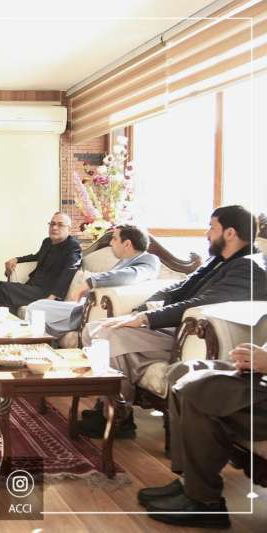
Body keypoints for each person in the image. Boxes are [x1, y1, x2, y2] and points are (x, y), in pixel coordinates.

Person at [80, 205, 267, 439]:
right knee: (95, 329)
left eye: (211, 227)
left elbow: (203, 303)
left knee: (106, 335)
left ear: (230, 233)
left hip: (194, 336)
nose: (207, 233)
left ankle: (115, 415)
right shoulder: (218, 260)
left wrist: (145, 319)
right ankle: (115, 410)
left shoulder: (250, 267)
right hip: (175, 329)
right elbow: (177, 287)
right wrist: (142, 309)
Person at [138, 342, 267, 528]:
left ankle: (205, 501)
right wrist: (252, 357)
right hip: (260, 377)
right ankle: (188, 482)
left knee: (198, 389)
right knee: (183, 372)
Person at [27, 224, 160, 337]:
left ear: (127, 244)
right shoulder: (126, 260)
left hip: (94, 311)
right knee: (38, 309)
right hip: (87, 306)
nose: (110, 243)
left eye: (114, 239)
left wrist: (90, 282)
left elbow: (131, 276)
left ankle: (38, 349)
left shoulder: (149, 260)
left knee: (36, 309)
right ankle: (44, 348)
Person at [0, 212, 82, 315]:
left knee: (1, 287)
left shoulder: (73, 246)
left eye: (60, 225)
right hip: (32, 287)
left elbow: (70, 271)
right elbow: (36, 256)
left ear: (69, 228)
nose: (54, 227)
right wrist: (17, 259)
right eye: (52, 224)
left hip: (47, 293)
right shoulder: (47, 242)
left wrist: (53, 296)